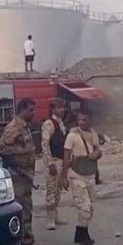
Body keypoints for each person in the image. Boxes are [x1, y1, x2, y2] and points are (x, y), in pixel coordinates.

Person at [0, 98, 43, 245]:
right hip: (18, 174)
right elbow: (2, 149)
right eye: (30, 110)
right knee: (18, 206)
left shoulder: (25, 127)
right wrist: (19, 153)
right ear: (22, 110)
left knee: (27, 205)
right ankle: (15, 240)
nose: (33, 113)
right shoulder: (14, 128)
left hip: (27, 174)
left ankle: (27, 238)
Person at [59, 111, 102, 245]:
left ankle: (80, 232)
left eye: (85, 119)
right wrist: (63, 176)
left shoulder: (93, 134)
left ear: (90, 120)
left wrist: (97, 155)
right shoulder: (72, 136)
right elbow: (66, 157)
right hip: (76, 174)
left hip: (89, 174)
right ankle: (84, 236)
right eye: (80, 119)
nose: (82, 122)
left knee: (90, 208)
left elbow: (97, 151)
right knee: (85, 207)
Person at [41, 97, 69, 229]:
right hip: (53, 161)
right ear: (53, 109)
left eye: (63, 107)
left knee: (58, 189)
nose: (62, 109)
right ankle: (50, 219)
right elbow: (45, 144)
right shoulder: (49, 124)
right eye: (59, 107)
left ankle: (56, 215)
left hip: (61, 160)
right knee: (51, 190)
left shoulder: (61, 123)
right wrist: (50, 163)